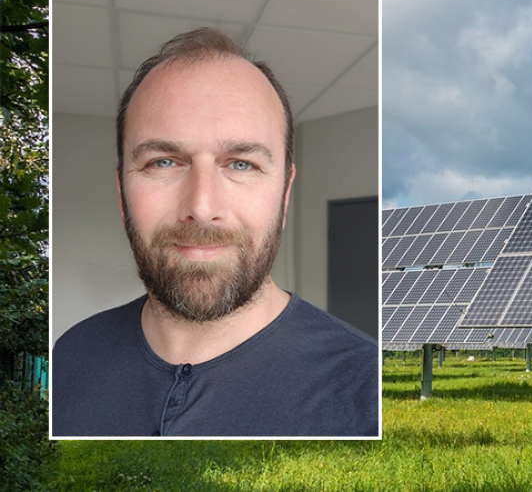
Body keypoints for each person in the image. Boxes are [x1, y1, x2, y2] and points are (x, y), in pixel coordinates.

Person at [52, 27, 379, 437]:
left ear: (284, 194)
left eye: (241, 163)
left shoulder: (366, 392)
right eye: (163, 162)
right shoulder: (73, 353)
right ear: (122, 194)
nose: (202, 208)